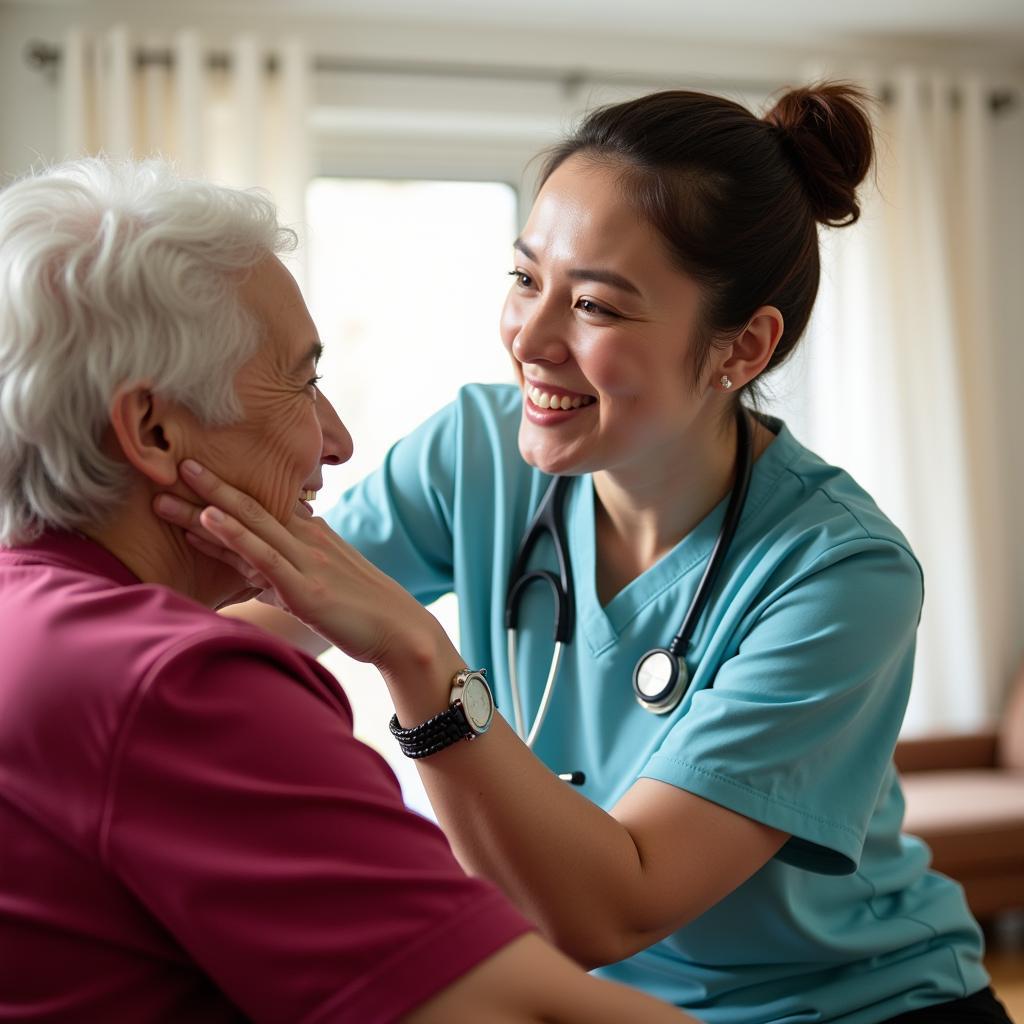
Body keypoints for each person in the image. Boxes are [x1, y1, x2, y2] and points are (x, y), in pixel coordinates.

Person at [163, 85, 1014, 1024]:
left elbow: (612, 910)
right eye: (526, 279)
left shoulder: (840, 575)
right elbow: (254, 623)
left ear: (743, 347)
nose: (530, 338)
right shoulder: (474, 457)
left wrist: (420, 661)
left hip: (852, 1009)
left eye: (597, 306)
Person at [0, 157, 695, 1024]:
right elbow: (532, 1013)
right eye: (303, 381)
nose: (338, 441)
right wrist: (418, 654)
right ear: (152, 428)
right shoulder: (179, 689)